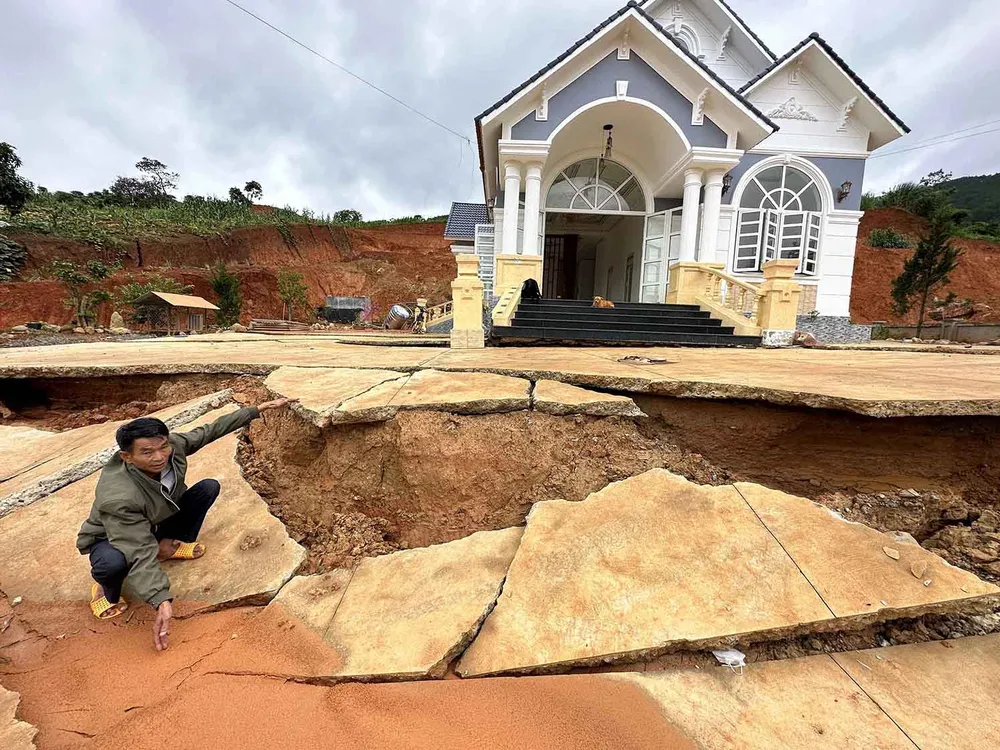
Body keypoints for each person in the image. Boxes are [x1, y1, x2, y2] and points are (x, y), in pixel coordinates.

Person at [75, 398, 295, 651]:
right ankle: (105, 590)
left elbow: (206, 432)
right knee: (113, 563)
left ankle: (165, 546)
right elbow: (135, 546)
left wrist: (252, 411)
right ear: (127, 457)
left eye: (163, 447)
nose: (159, 457)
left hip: (154, 519)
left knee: (207, 488)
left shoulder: (171, 448)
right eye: (147, 452)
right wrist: (160, 599)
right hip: (112, 537)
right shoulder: (119, 496)